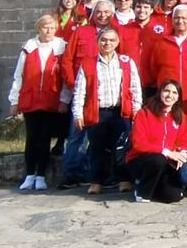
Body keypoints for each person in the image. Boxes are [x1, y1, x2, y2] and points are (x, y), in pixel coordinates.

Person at [70, 27, 142, 195]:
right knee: (97, 147)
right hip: (98, 112)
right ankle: (96, 181)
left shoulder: (126, 61)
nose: (107, 43)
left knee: (122, 147)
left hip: (120, 111)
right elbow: (80, 91)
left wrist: (136, 109)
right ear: (98, 42)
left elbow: (135, 87)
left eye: (111, 40)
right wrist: (77, 113)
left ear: (117, 42)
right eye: (103, 40)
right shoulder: (88, 63)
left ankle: (123, 179)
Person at [8, 13, 68, 191]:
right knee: (31, 137)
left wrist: (64, 99)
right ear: (38, 29)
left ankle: (41, 175)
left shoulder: (61, 47)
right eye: (44, 27)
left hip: (51, 98)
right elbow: (19, 75)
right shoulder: (29, 47)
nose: (48, 31)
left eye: (51, 28)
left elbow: (65, 77)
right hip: (31, 98)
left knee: (45, 137)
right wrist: (14, 100)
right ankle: (29, 174)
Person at [125, 81, 187, 204]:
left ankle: (153, 188)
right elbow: (139, 144)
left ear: (178, 97)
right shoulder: (144, 113)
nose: (169, 95)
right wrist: (167, 152)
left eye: (174, 93)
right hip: (141, 160)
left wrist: (181, 154)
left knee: (174, 196)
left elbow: (184, 141)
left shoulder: (179, 116)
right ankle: (142, 191)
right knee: (158, 159)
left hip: (165, 163)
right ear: (160, 92)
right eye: (166, 91)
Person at [148, 5, 187, 99]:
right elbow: (154, 68)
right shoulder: (162, 42)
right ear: (172, 20)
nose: (180, 21)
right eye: (177, 18)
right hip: (168, 97)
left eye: (184, 18)